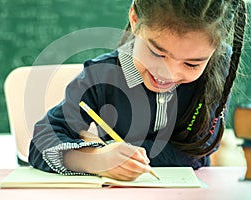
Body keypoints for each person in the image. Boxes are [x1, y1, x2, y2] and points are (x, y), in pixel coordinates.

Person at [28, 0, 247, 181]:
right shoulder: (100, 75)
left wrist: (111, 148)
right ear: (135, 19)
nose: (167, 74)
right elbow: (41, 142)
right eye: (156, 53)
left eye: (191, 64)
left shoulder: (217, 67)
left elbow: (197, 151)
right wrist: (95, 159)